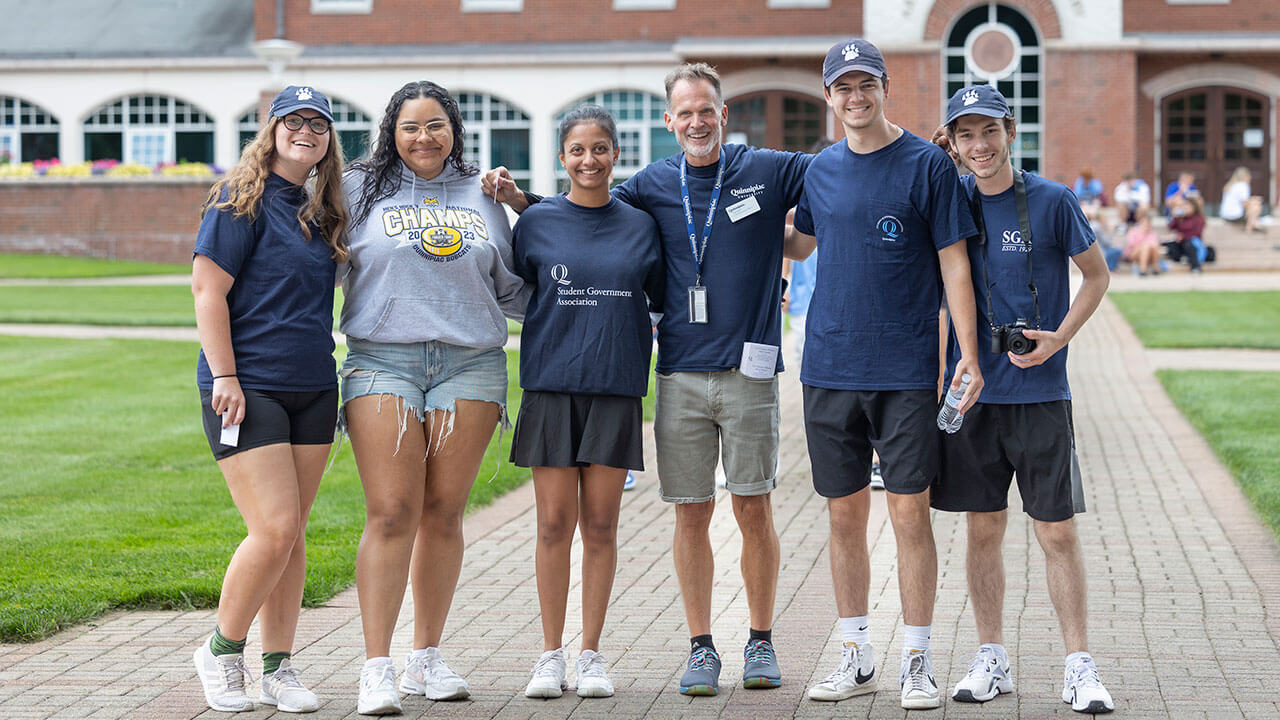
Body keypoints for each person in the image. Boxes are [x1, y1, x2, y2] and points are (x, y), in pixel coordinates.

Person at [486, 62, 810, 697]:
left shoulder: (767, 169)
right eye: (683, 112)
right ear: (668, 121)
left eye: (706, 110)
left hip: (749, 370)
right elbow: (579, 216)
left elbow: (844, 168)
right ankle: (700, 647)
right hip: (679, 373)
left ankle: (762, 640)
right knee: (690, 513)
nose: (696, 121)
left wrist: (802, 236)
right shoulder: (647, 188)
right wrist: (518, 200)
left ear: (723, 112)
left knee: (753, 506)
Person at [785, 39, 984, 711]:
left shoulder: (927, 165)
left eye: (865, 83)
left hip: (904, 370)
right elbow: (803, 242)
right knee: (844, 520)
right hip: (828, 366)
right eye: (843, 87)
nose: (855, 96)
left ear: (885, 86)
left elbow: (955, 263)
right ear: (829, 97)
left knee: (909, 514)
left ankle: (919, 658)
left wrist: (968, 354)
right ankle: (854, 652)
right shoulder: (820, 170)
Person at [339, 80, 526, 715]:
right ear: (392, 131)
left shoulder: (484, 193)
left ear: (455, 131)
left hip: (470, 365)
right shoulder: (356, 188)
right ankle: (376, 667)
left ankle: (426, 656)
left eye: (436, 126)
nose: (425, 138)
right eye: (411, 126)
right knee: (392, 511)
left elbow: (515, 287)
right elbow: (315, 269)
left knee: (444, 512)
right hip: (381, 361)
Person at [932, 84, 1114, 714]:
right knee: (982, 530)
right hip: (973, 393)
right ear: (952, 143)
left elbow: (1097, 275)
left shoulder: (1054, 200)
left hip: (1040, 392)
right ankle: (991, 657)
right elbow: (938, 297)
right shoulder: (949, 202)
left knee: (1056, 532)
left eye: (989, 130)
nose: (978, 145)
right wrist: (941, 376)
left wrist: (1058, 339)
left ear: (1011, 131)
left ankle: (1078, 665)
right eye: (965, 134)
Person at [190, 85, 348, 714]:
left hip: (313, 383)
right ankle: (222, 651)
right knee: (274, 527)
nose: (305, 130)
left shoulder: (321, 211)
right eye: (293, 120)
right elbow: (207, 293)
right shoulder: (239, 200)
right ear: (273, 129)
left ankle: (279, 666)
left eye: (319, 123)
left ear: (329, 138)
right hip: (245, 386)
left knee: (294, 534)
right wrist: (225, 377)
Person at [509, 105, 663, 700]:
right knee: (553, 524)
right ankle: (550, 655)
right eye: (577, 150)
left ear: (615, 154)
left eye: (600, 148)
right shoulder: (537, 222)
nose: (588, 160)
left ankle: (592, 653)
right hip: (550, 386)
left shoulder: (640, 225)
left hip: (616, 387)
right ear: (561, 157)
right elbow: (522, 291)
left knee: (600, 525)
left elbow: (656, 296)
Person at [1168, 192, 1207, 272]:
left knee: (1189, 244)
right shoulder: (1181, 218)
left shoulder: (1199, 218)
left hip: (1192, 242)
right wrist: (1175, 217)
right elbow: (1171, 227)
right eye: (1184, 206)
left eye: (1187, 206)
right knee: (1170, 245)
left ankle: (1196, 267)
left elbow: (1196, 233)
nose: (1185, 208)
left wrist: (1182, 237)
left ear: (1194, 207)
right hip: (1181, 243)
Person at [1220, 166, 1263, 233]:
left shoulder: (1230, 186)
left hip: (1225, 216)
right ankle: (1250, 227)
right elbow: (1245, 204)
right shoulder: (1243, 185)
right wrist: (1254, 200)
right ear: (1246, 176)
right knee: (1256, 205)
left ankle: (1254, 224)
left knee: (1253, 202)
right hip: (1235, 216)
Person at [1123, 210, 1162, 276]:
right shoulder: (1133, 231)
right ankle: (1143, 269)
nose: (1146, 224)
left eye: (1147, 223)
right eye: (1144, 223)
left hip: (1149, 253)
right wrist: (1143, 235)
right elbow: (1131, 244)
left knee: (1151, 246)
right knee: (1145, 246)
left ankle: (1153, 267)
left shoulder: (1152, 233)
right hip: (1134, 253)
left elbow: (1155, 245)